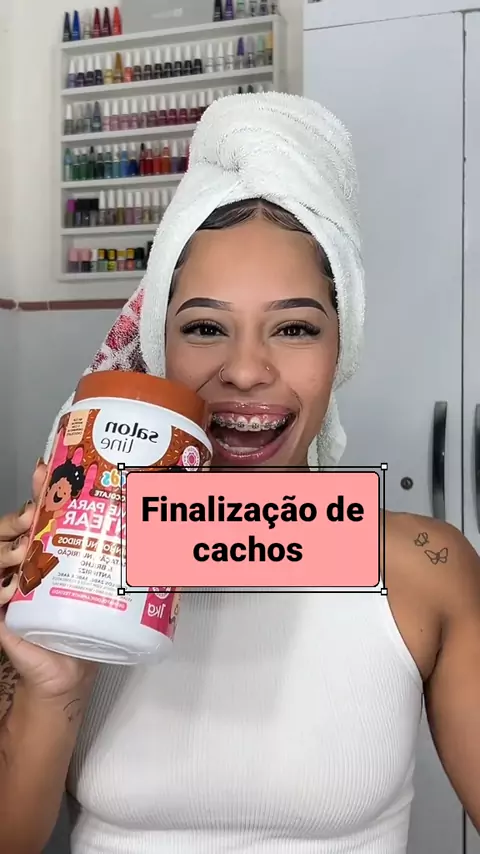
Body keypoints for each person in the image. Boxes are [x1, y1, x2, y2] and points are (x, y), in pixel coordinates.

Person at [1, 92, 480, 854]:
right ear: (159, 347)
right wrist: (51, 670)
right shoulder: (71, 575)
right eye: (204, 327)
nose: (247, 370)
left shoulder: (426, 571)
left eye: (294, 327)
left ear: (342, 347)